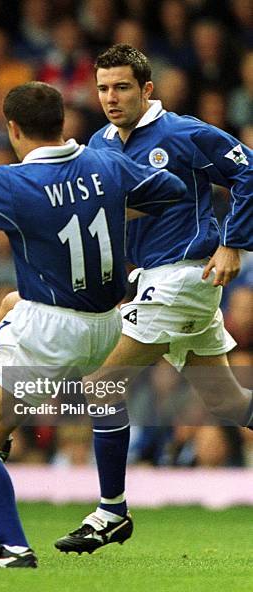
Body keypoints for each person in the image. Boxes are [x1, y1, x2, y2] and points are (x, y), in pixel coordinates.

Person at [0, 82, 186, 567]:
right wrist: (106, 206)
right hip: (105, 325)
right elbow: (172, 191)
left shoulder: (14, 182)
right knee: (11, 302)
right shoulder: (107, 163)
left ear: (12, 128)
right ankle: (105, 500)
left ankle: (13, 548)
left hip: (51, 329)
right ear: (63, 123)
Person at [49, 44, 252, 554]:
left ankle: (110, 512)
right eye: (102, 88)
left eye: (121, 87)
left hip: (186, 276)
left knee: (101, 385)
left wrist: (234, 242)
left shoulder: (183, 134)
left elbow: (249, 171)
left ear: (147, 89)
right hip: (148, 282)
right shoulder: (97, 142)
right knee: (228, 402)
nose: (110, 97)